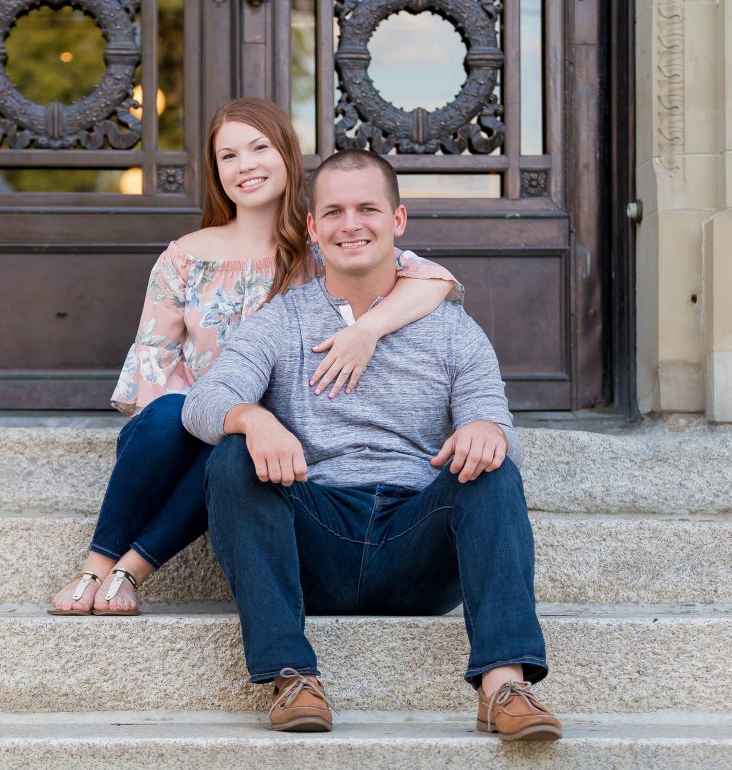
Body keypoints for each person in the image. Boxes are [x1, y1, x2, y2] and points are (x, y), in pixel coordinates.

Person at [181, 148, 561, 740]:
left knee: (494, 469)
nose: (350, 224)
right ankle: (292, 677)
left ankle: (504, 686)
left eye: (367, 209)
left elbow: (494, 419)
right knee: (231, 454)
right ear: (312, 227)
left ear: (398, 220)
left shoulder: (452, 327)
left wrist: (486, 431)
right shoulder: (283, 320)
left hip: (414, 544)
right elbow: (202, 404)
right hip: (317, 540)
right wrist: (252, 418)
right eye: (333, 211)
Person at [50, 99, 461, 616]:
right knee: (189, 421)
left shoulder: (323, 247)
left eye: (259, 148)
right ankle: (96, 566)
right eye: (229, 156)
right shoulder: (184, 256)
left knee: (238, 450)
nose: (245, 165)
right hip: (188, 427)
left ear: (287, 154)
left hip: (278, 440)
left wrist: (368, 329)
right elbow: (154, 373)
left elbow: (437, 281)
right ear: (216, 171)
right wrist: (219, 415)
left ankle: (128, 571)